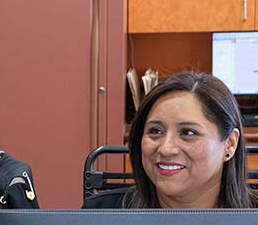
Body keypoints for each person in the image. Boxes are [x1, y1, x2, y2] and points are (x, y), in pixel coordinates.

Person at [84, 70, 258, 209]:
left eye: (188, 133)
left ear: (230, 144)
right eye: (155, 131)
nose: (166, 149)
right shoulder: (100, 214)